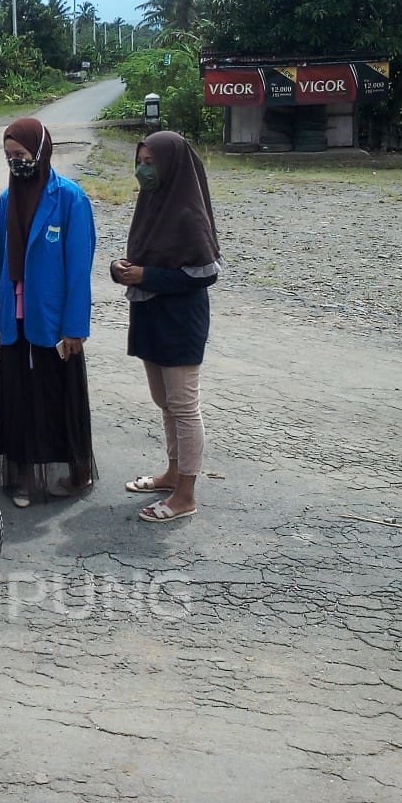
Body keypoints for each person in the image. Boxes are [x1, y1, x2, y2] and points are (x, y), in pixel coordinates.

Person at [0, 117, 99, 508]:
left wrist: (75, 329)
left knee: (56, 395)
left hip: (53, 323)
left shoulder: (70, 199)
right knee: (20, 397)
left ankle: (77, 473)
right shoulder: (6, 199)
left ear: (41, 150)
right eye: (8, 156)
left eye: (21, 154)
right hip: (14, 319)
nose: (16, 162)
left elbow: (79, 270)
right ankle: (28, 479)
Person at [110, 130, 224, 523]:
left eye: (151, 162)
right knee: (165, 403)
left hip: (180, 321)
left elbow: (204, 273)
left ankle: (186, 495)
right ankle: (173, 472)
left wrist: (147, 276)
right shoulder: (151, 202)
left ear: (172, 165)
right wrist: (121, 270)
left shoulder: (187, 211)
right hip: (150, 315)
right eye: (140, 161)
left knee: (184, 406)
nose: (143, 170)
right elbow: (141, 260)